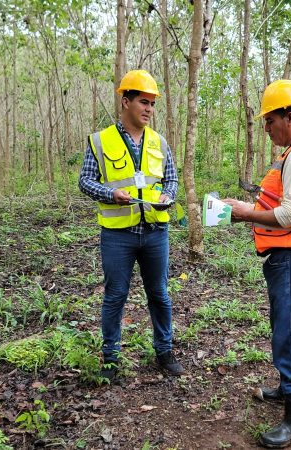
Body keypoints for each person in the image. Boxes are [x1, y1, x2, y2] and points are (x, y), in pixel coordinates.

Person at [224, 79, 291, 448]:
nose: (266, 128)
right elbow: (282, 205)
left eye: (270, 120)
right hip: (287, 257)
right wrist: (249, 207)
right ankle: (288, 388)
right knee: (285, 326)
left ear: (289, 117)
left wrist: (244, 214)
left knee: (290, 331)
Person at [78, 69, 184, 382]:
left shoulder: (159, 142)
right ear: (125, 101)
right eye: (143, 102)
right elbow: (85, 181)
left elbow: (171, 179)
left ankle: (164, 351)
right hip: (118, 235)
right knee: (115, 296)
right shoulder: (100, 141)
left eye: (152, 104)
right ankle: (111, 359)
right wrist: (110, 194)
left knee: (159, 294)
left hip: (155, 232)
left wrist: (168, 195)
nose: (149, 109)